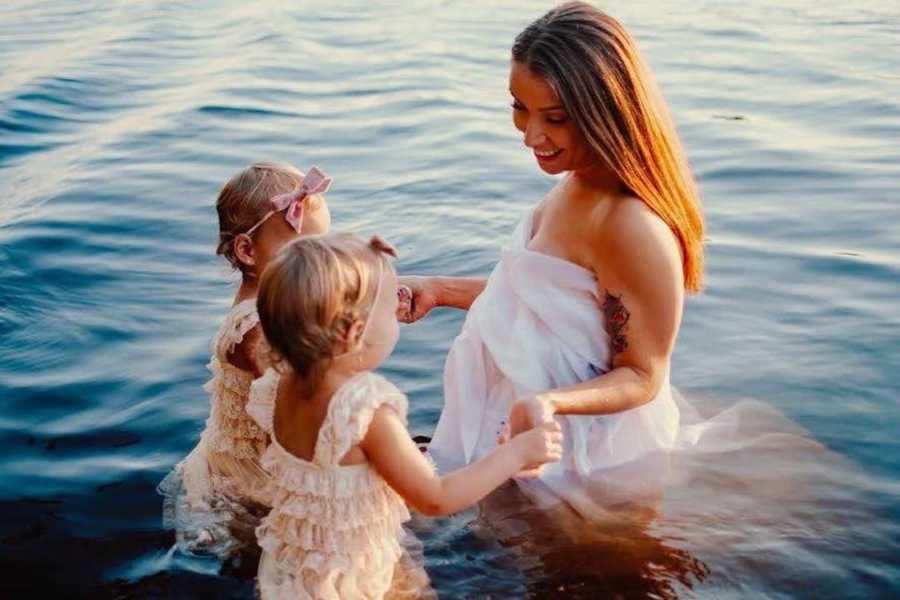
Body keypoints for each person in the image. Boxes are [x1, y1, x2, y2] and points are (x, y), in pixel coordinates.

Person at [398, 1, 705, 515]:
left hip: (579, 455)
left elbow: (642, 375)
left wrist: (549, 404)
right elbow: (543, 302)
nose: (530, 135)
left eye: (555, 119)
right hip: (520, 431)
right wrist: (441, 290)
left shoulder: (631, 227)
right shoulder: (577, 181)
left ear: (605, 111)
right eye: (519, 106)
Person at [247, 232, 563, 599]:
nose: (398, 310)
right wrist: (516, 453)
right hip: (350, 580)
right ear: (353, 332)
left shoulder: (281, 385)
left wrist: (369, 265)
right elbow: (435, 499)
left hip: (295, 565)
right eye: (389, 309)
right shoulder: (365, 411)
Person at [158, 161, 332, 554]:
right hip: (248, 480)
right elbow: (294, 420)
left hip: (251, 453)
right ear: (247, 251)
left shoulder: (277, 299)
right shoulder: (255, 330)